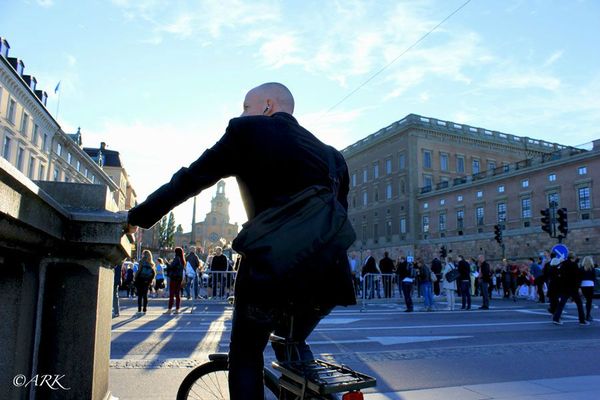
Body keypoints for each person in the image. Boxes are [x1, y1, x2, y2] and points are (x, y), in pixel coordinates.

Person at [126, 82, 355, 399]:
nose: (242, 113)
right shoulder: (333, 158)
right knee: (292, 341)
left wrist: (137, 218)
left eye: (246, 106)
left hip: (270, 272)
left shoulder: (246, 132)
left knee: (247, 355)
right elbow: (340, 216)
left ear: (267, 105)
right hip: (327, 279)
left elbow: (190, 179)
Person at [167, 248, 186, 314]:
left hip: (174, 278)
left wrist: (167, 263)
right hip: (179, 278)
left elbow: (171, 267)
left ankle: (169, 309)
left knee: (172, 293)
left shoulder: (176, 258)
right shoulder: (182, 260)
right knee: (178, 294)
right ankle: (177, 309)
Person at [580, 256, 595, 323]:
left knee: (582, 300)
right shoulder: (592, 268)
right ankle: (588, 315)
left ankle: (583, 315)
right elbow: (594, 277)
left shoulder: (582, 268)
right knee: (589, 301)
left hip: (583, 285)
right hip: (590, 284)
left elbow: (579, 278)